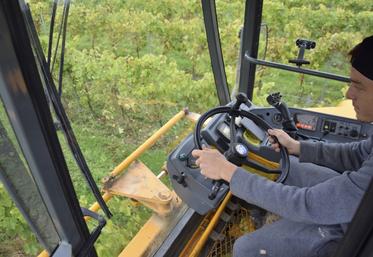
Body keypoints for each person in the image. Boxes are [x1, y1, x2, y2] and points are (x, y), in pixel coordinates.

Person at [192, 35, 373, 257]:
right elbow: (358, 154)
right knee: (294, 167)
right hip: (360, 207)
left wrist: (227, 171)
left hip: (358, 237)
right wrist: (298, 147)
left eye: (359, 87)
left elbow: (308, 204)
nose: (348, 94)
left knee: (245, 249)